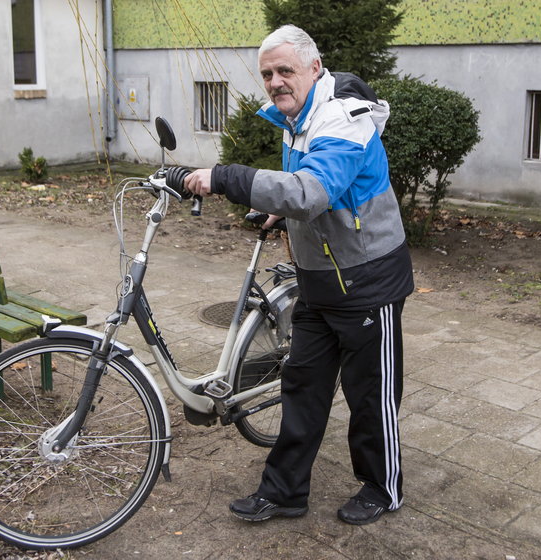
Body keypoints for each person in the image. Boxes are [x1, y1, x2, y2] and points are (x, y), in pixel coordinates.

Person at [182, 24, 413, 526]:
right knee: (301, 389)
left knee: (370, 396)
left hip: (367, 281)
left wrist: (225, 177)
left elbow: (312, 191)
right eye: (267, 73)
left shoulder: (343, 118)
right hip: (317, 279)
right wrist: (278, 212)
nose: (274, 81)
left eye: (285, 70)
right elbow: (305, 192)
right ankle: (284, 491)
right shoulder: (297, 118)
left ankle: (382, 486)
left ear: (314, 68)